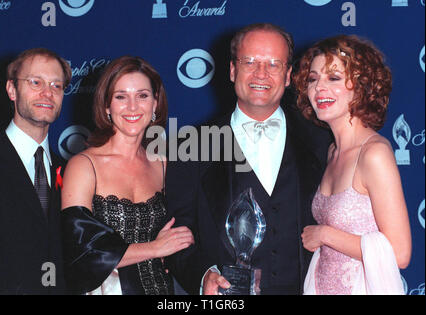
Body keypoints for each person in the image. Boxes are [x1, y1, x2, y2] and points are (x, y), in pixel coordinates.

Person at [164, 23, 331, 295]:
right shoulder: (191, 145)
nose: (261, 73)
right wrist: (204, 275)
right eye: (250, 61)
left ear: (288, 75)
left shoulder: (323, 141)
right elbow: (177, 234)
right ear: (232, 70)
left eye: (274, 64)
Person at [60, 56, 194, 295]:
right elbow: (81, 251)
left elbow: (184, 231)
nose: (132, 107)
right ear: (106, 106)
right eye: (121, 96)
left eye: (142, 96)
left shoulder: (164, 164)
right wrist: (155, 248)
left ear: (155, 104)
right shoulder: (84, 165)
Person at [292, 35, 412, 295]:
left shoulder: (374, 154)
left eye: (333, 78)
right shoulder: (333, 151)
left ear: (361, 86)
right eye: (313, 79)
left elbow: (400, 253)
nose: (319, 88)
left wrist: (325, 235)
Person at [0, 48, 72, 294]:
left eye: (56, 85)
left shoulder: (70, 170)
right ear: (11, 89)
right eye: (35, 82)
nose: (47, 93)